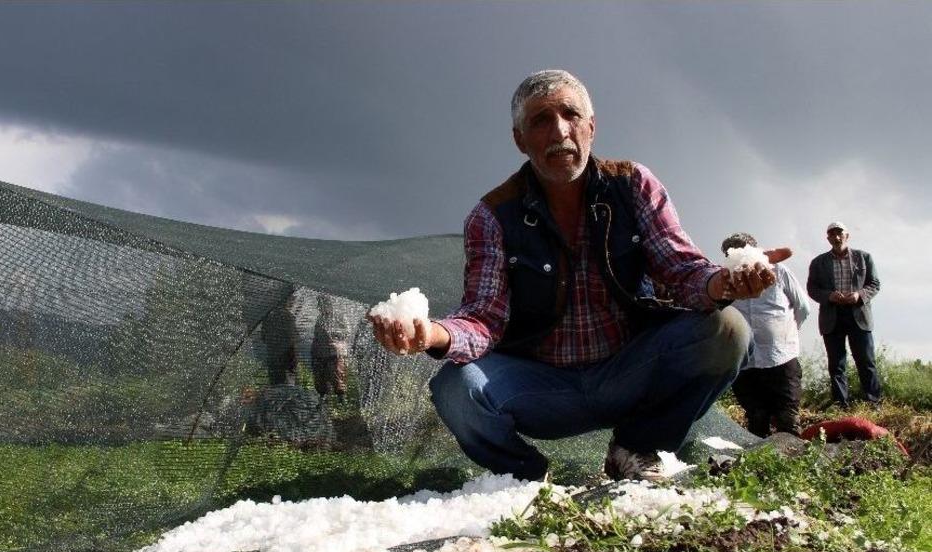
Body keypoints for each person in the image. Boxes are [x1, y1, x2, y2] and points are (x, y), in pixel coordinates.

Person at [370, 69, 788, 481]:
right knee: (456, 389)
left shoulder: (633, 184)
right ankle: (524, 480)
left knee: (728, 330)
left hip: (630, 371)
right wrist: (431, 335)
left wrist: (724, 282)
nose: (558, 131)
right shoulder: (492, 215)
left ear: (591, 126)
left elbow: (679, 268)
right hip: (542, 387)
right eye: (540, 121)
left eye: (570, 115)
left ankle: (636, 447)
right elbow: (483, 319)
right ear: (519, 139)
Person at [721, 232, 811, 436]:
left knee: (787, 417)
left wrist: (787, 335)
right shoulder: (725, 280)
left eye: (742, 250)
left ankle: (793, 464)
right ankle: (760, 466)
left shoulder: (780, 272)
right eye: (731, 253)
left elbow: (803, 307)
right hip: (746, 361)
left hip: (781, 357)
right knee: (756, 416)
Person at [807, 222, 882, 407]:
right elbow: (812, 288)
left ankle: (874, 402)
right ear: (828, 238)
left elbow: (874, 284)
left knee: (866, 361)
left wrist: (859, 295)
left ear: (847, 235)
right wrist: (829, 296)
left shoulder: (864, 257)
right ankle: (841, 404)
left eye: (840, 233)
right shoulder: (818, 262)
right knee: (836, 364)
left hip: (859, 315)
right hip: (832, 316)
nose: (836, 237)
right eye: (832, 234)